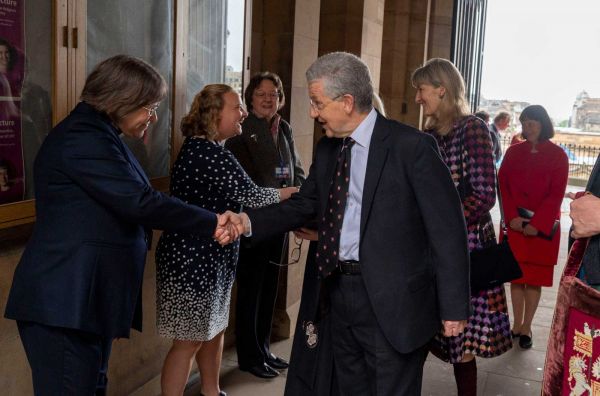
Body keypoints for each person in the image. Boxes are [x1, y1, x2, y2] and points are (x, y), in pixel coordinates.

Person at [221, 51, 471, 395]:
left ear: (348, 102)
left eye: (317, 102)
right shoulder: (328, 150)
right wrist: (246, 222)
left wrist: (454, 307)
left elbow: (448, 231)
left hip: (394, 303)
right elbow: (303, 204)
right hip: (338, 294)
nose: (312, 112)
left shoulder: (410, 147)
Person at [3, 55, 236, 395]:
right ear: (120, 99)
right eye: (148, 107)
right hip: (64, 304)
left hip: (86, 304)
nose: (153, 117)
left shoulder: (103, 134)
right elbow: (141, 202)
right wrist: (213, 221)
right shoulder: (81, 139)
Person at [155, 84, 296, 396]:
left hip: (211, 258)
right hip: (192, 260)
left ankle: (211, 391)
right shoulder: (206, 153)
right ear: (213, 114)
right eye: (236, 107)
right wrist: (292, 193)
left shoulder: (210, 149)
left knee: (215, 329)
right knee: (189, 340)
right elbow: (252, 195)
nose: (243, 113)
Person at [412, 58, 512, 396]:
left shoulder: (473, 129)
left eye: (422, 90)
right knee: (422, 329)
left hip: (467, 250)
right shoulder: (427, 134)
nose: (417, 98)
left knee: (462, 342)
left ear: (441, 89)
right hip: (430, 248)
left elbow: (484, 195)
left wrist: (441, 223)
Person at [224, 72, 305, 379]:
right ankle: (249, 356)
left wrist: (306, 197)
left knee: (271, 287)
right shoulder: (240, 134)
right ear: (250, 97)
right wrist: (282, 196)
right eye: (261, 94)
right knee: (252, 289)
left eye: (274, 93)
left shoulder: (283, 127)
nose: (268, 98)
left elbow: (294, 169)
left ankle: (264, 348)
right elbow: (247, 185)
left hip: (282, 218)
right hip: (254, 222)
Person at [498, 104, 568, 350]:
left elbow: (556, 194)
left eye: (533, 122)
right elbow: (503, 186)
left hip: (542, 229)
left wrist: (537, 224)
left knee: (534, 280)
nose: (528, 127)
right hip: (516, 225)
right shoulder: (513, 152)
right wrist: (511, 218)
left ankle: (527, 326)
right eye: (525, 122)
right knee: (516, 278)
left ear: (543, 124)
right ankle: (516, 325)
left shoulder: (559, 155)